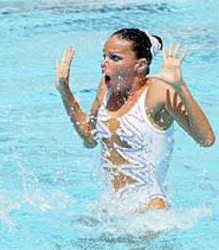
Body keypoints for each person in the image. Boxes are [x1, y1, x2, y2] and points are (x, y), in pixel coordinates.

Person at [55, 28, 215, 212]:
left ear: (140, 65)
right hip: (113, 207)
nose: (103, 63)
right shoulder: (105, 88)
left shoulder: (158, 93)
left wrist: (180, 87)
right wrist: (64, 90)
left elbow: (206, 139)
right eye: (104, 55)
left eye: (114, 58)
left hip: (150, 210)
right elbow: (89, 138)